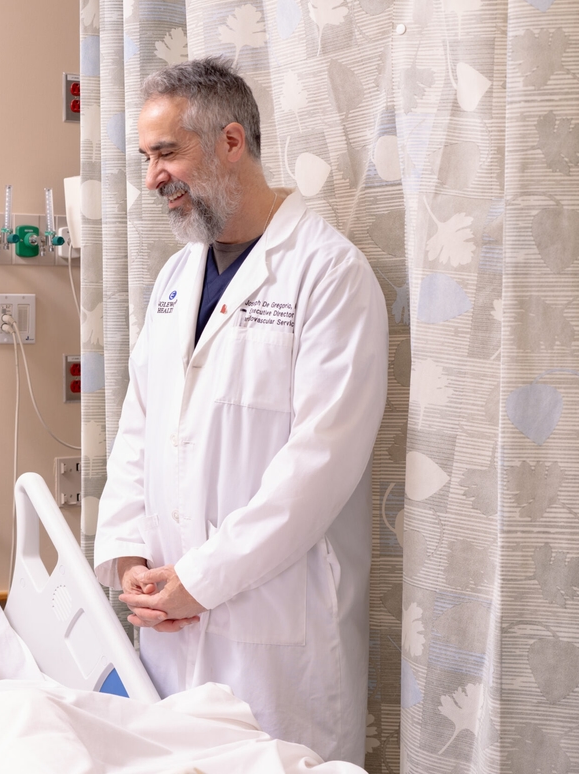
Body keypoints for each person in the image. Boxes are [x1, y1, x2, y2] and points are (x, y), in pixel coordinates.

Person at [92, 57, 387, 764]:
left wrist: (201, 582)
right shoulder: (173, 278)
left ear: (231, 142)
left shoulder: (327, 273)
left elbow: (316, 470)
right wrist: (128, 553)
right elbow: (141, 426)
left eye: (167, 153)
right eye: (146, 157)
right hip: (169, 624)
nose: (152, 177)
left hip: (273, 636)